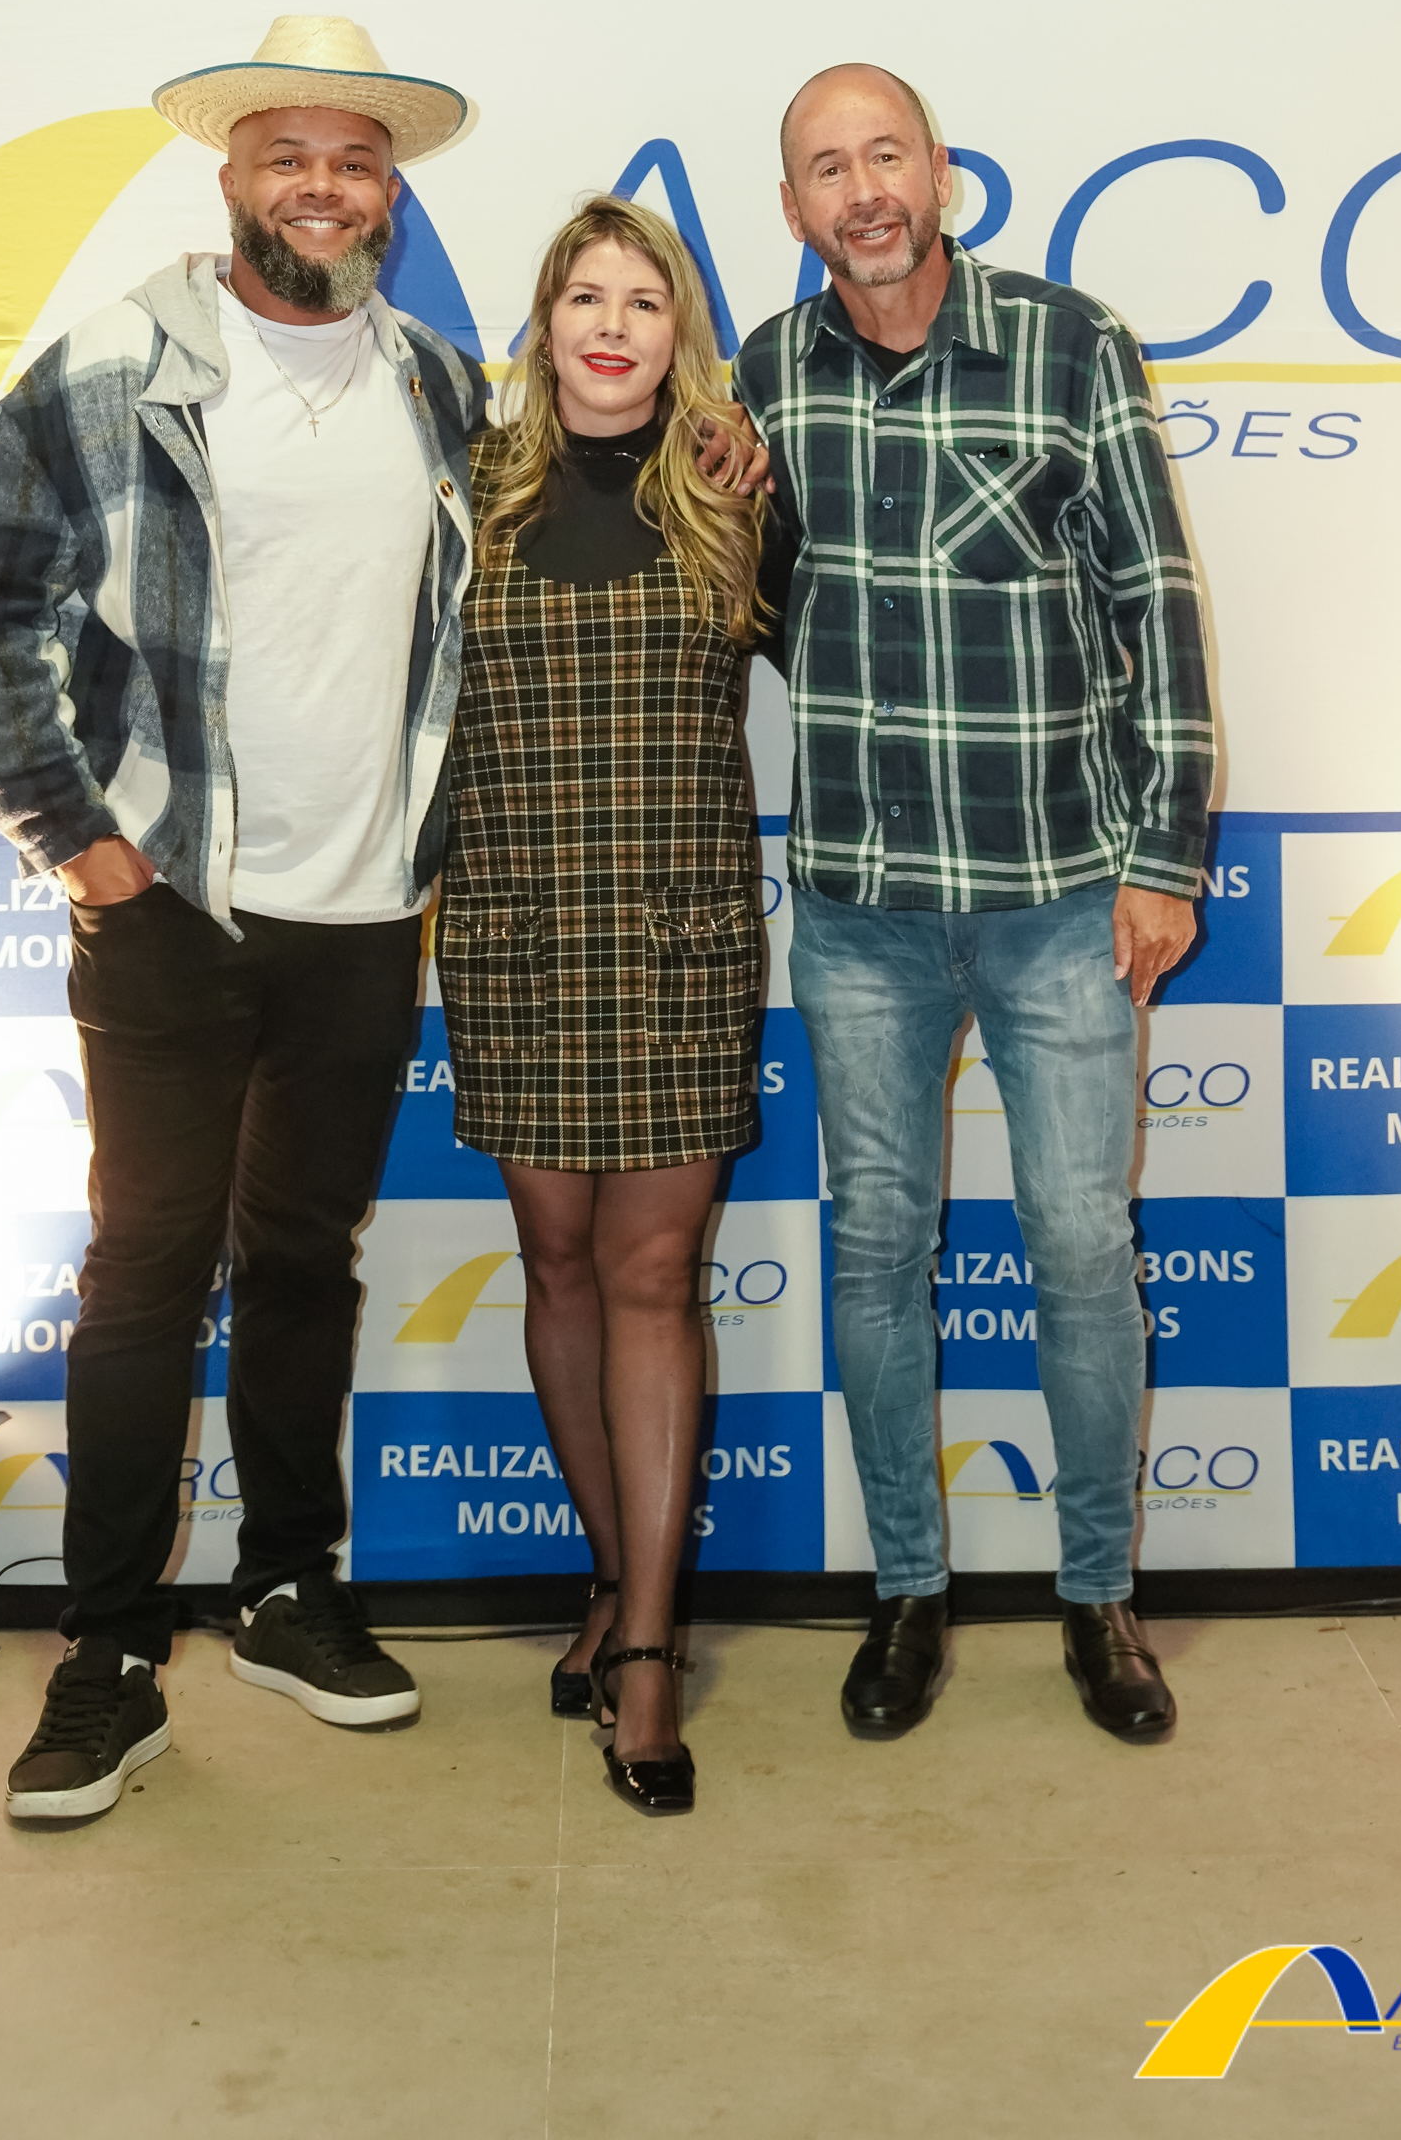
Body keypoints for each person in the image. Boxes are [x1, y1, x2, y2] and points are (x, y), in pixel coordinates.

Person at [0, 13, 486, 1822]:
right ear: (232, 178)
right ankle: (108, 1654)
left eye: (355, 160)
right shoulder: (114, 363)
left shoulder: (439, 387)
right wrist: (85, 849)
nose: (322, 187)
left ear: (389, 194)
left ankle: (285, 1592)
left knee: (305, 1261)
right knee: (144, 1274)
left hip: (365, 905)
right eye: (288, 156)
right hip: (172, 898)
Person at [731, 64, 1215, 1743]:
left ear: (940, 174)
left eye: (886, 154)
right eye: (826, 167)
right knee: (876, 1251)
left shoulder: (1072, 345)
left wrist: (1166, 855)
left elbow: (1158, 604)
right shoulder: (765, 374)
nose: (862, 190)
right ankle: (908, 1592)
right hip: (859, 904)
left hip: (1059, 896)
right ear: (791, 207)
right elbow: (759, 605)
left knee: (1080, 1246)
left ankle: (1099, 1599)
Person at [436, 194, 775, 1816]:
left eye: (645, 300)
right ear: (546, 321)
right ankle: (610, 1574)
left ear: (676, 330)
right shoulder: (470, 492)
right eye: (588, 297)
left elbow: (861, 668)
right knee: (557, 1265)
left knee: (651, 1277)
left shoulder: (731, 498)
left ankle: (646, 1648)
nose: (615, 326)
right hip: (515, 939)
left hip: (678, 943)